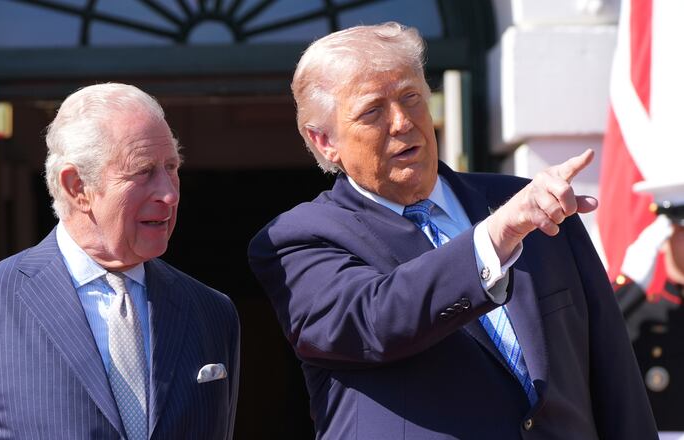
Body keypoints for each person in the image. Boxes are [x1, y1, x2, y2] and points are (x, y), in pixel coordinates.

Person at [248, 22, 656, 439]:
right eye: (373, 111)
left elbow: (612, 368)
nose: (403, 122)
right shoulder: (296, 239)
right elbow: (373, 320)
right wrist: (494, 240)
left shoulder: (529, 204)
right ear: (323, 141)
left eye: (412, 98)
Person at [0, 83, 239, 439]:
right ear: (76, 186)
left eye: (171, 167)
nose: (168, 193)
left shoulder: (212, 312)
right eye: (143, 171)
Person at [614, 181, 684, 430]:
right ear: (663, 238)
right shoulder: (636, 314)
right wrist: (630, 285)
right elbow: (587, 340)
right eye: (682, 232)